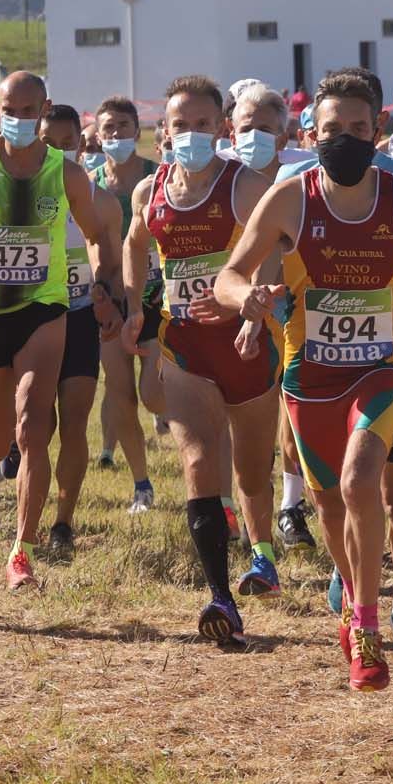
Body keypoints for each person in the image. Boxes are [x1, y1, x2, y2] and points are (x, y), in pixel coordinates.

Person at [216, 71, 393, 691]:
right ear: (310, 134)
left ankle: (370, 627)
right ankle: (353, 601)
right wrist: (249, 300)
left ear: (378, 129)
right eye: (332, 130)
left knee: (359, 481)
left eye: (357, 128)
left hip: (385, 367)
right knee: (327, 500)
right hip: (310, 371)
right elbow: (230, 274)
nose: (345, 138)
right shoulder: (290, 198)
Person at [0, 72, 124, 590]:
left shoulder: (64, 173)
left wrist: (102, 286)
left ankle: (22, 550)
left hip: (45, 310)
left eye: (30, 111)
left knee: (32, 430)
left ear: (43, 109)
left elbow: (95, 234)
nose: (20, 120)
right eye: (10, 110)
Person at [122, 76, 281, 644]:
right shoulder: (150, 191)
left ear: (221, 128)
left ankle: (262, 551)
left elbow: (273, 251)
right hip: (184, 342)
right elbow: (135, 243)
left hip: (245, 342)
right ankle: (219, 598)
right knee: (197, 460)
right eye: (179, 125)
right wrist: (137, 302)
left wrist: (250, 310)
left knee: (254, 468)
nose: (191, 134)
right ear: (164, 131)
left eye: (202, 124)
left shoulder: (244, 185)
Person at [223, 82, 317, 551]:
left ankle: (289, 506)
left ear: (285, 138)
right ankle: (223, 505)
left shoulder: (298, 181)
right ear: (230, 130)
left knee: (288, 407)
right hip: (217, 308)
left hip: (285, 309)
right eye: (247, 127)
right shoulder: (213, 176)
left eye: (267, 129)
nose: (255, 136)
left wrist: (256, 313)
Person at [40, 104, 124, 552]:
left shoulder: (101, 201)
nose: (55, 151)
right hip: (30, 318)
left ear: (81, 144)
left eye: (65, 143)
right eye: (46, 142)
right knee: (35, 426)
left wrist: (107, 295)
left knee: (73, 423)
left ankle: (62, 523)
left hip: (77, 319)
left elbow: (110, 263)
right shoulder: (17, 198)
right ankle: (28, 514)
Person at [91, 96, 161, 511]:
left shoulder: (158, 178)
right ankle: (142, 484)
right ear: (97, 137)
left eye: (123, 126)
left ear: (138, 130)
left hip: (155, 298)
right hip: (110, 306)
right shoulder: (91, 183)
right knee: (120, 395)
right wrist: (102, 292)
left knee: (154, 392)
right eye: (108, 129)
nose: (116, 134)